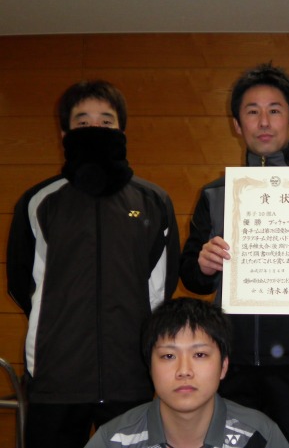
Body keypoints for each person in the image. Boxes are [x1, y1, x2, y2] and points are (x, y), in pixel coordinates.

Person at [179, 62, 289, 446]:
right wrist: (204, 265)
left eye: (274, 110)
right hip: (233, 364)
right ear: (236, 124)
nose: (263, 122)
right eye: (252, 111)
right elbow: (191, 278)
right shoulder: (216, 193)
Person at [6, 80, 181, 448]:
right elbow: (22, 284)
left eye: (106, 121)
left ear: (122, 130)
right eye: (83, 122)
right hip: (56, 378)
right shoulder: (39, 201)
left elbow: (159, 290)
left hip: (129, 376)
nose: (95, 129)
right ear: (64, 132)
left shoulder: (153, 201)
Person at [85, 297, 289, 448]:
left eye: (200, 355)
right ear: (150, 367)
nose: (184, 371)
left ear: (223, 366)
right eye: (168, 356)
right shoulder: (114, 440)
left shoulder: (260, 436)